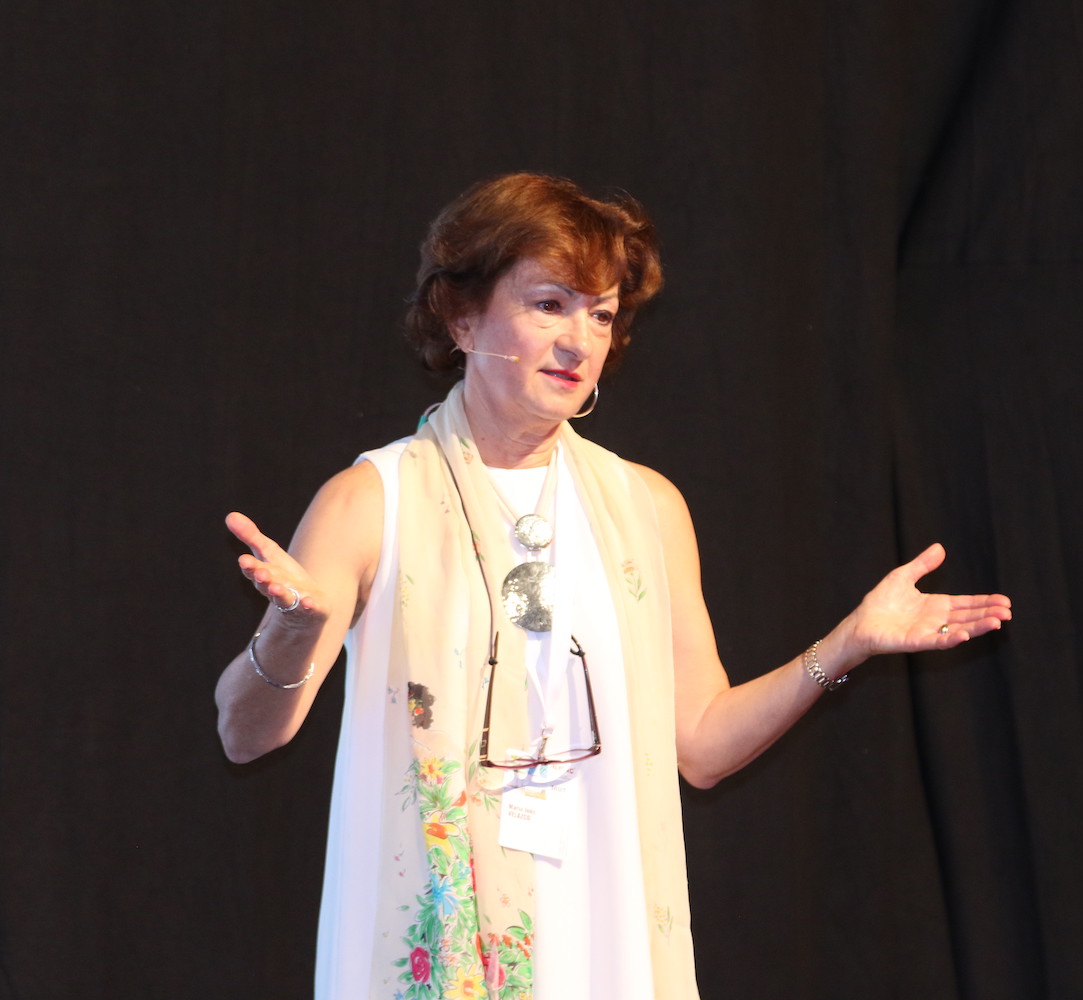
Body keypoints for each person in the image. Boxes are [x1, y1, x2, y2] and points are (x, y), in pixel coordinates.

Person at [216, 172, 1012, 1000]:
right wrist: (291, 633)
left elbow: (702, 745)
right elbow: (245, 735)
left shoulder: (646, 506)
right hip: (443, 924)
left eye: (600, 314)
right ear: (461, 317)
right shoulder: (371, 499)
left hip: (602, 928)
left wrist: (846, 645)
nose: (580, 341)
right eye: (549, 304)